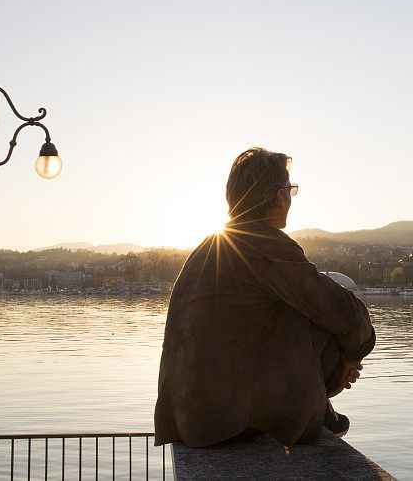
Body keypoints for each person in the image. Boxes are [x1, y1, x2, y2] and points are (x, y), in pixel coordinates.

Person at [154, 148, 375, 449]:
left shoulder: (206, 248)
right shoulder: (264, 244)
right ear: (278, 196)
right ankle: (317, 411)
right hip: (226, 422)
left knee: (297, 304)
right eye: (290, 190)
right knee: (322, 305)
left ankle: (320, 410)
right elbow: (342, 311)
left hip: (190, 419)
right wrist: (355, 353)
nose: (291, 199)